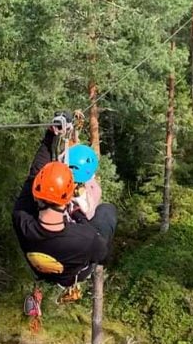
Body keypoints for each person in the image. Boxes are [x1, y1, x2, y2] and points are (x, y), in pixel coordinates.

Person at [13, 116, 118, 290]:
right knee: (107, 211)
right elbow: (102, 256)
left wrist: (51, 135)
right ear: (69, 197)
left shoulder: (21, 219)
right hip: (74, 275)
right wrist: (79, 216)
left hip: (40, 269)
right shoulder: (85, 237)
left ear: (37, 194)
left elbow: (34, 174)